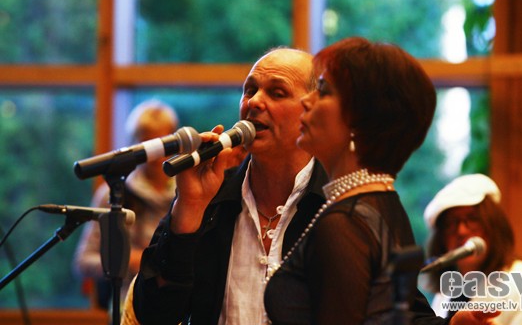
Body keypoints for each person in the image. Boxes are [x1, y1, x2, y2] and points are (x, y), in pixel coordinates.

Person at [263, 37, 495, 324]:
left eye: (323, 91)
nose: (306, 101)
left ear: (359, 120)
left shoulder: (345, 222)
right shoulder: (382, 204)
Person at [131, 47, 330, 324]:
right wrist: (190, 208)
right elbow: (154, 315)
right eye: (250, 90)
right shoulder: (211, 196)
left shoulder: (335, 202)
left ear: (313, 111)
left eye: (277, 93)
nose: (254, 101)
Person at [73, 99, 179, 309]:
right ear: (135, 146)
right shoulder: (114, 194)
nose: (156, 156)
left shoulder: (187, 195)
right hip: (127, 307)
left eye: (162, 144)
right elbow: (83, 261)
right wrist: (129, 260)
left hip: (178, 308)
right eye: (148, 145)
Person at [422, 173, 522, 324]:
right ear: (441, 238)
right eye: (451, 223)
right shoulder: (448, 290)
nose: (461, 231)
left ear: (493, 225)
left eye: (473, 219)